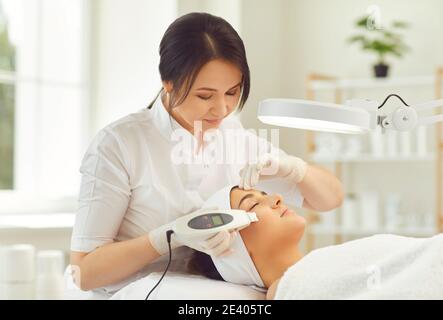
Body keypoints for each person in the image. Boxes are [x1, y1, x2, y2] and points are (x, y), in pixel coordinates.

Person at [69, 12, 344, 295]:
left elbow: (330, 198)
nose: (222, 109)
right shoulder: (119, 144)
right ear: (169, 83)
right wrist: (168, 237)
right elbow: (83, 273)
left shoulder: (235, 137)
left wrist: (294, 168)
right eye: (205, 95)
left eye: (232, 92)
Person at [189, 185, 443, 299]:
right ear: (232, 250)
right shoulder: (286, 290)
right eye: (255, 203)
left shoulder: (320, 264)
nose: (277, 198)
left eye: (265, 194)